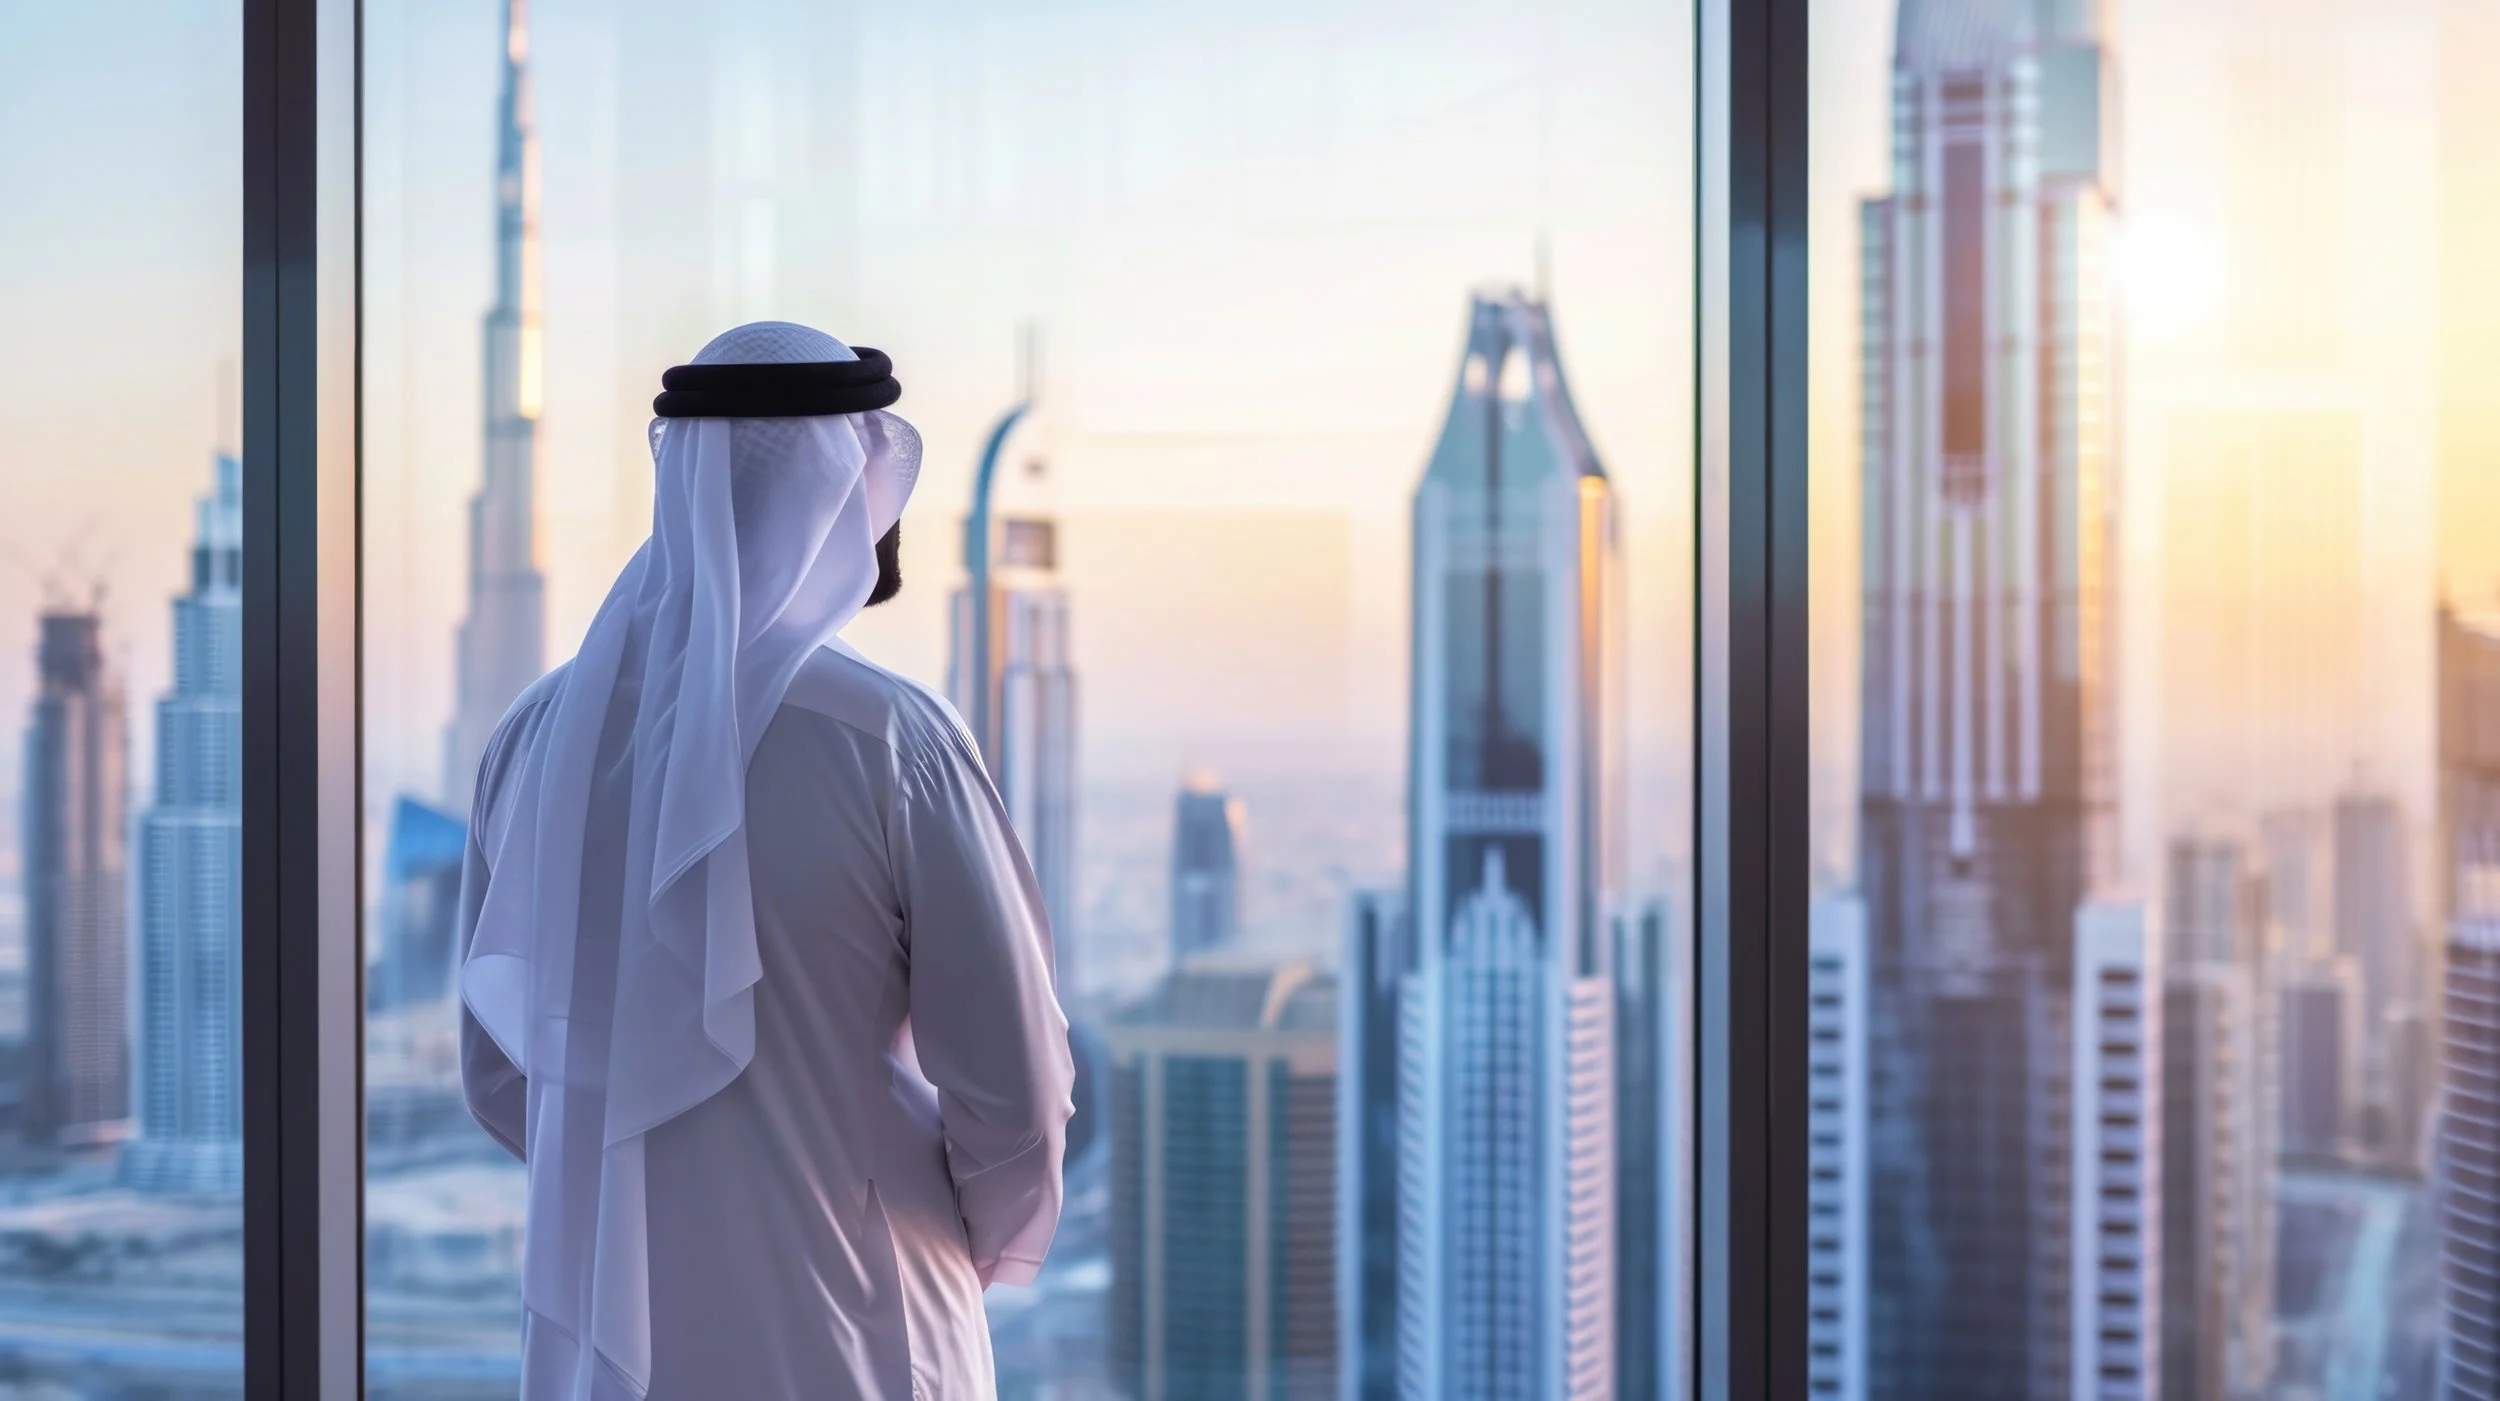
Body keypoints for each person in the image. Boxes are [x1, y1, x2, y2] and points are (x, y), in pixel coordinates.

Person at [458, 321, 1074, 1400]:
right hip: (867, 1334)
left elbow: (502, 1075)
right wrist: (955, 1239)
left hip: (616, 1332)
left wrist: (653, 1199)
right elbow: (1015, 1094)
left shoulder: (533, 738)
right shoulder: (893, 741)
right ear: (845, 488)